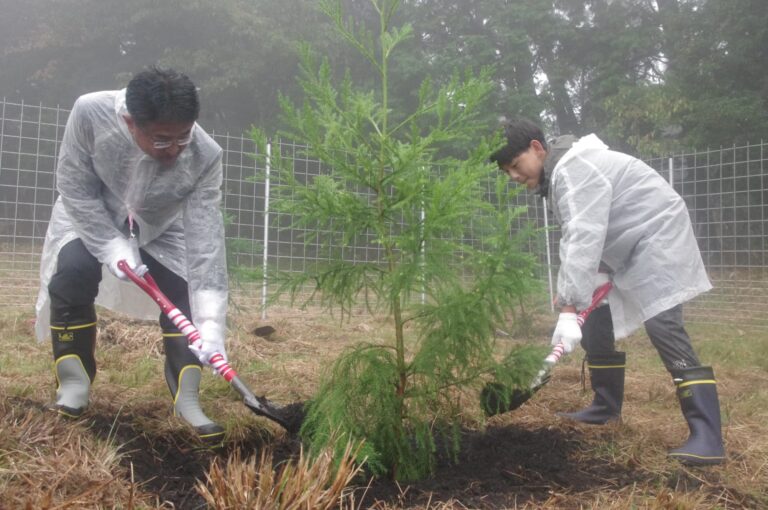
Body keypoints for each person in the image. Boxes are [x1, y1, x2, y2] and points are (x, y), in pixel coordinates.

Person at [489, 118, 725, 466]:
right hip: (620, 243)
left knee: (662, 323)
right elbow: (580, 234)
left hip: (656, 233)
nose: (514, 176)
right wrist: (573, 297)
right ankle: (604, 406)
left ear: (537, 149)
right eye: (506, 171)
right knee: (596, 319)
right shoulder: (561, 175)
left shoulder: (573, 169)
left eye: (515, 165)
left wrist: (569, 306)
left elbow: (583, 234)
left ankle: (708, 435)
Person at [35, 67, 229, 444]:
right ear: (130, 122)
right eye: (160, 140)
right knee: (72, 272)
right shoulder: (90, 113)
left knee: (184, 291)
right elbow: (73, 185)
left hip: (160, 224)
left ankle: (187, 400)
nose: (173, 150)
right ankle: (74, 386)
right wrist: (110, 245)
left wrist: (210, 322)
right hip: (91, 211)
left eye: (183, 136)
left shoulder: (205, 156)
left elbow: (205, 239)